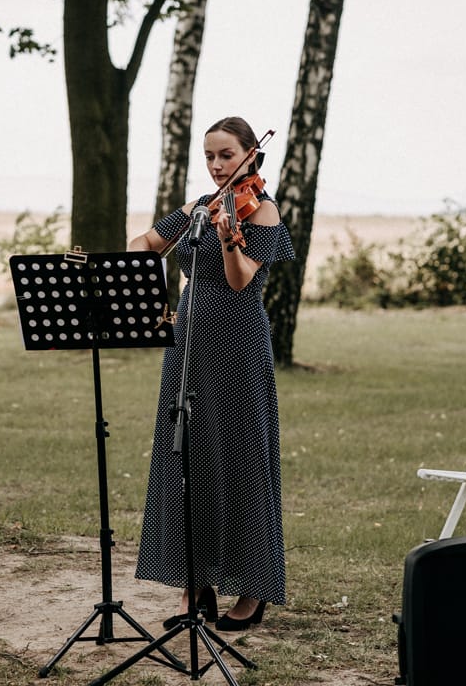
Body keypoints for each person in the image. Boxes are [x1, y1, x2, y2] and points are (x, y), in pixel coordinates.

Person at [130, 116, 295, 631]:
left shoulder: (260, 211)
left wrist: (229, 239)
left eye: (226, 154)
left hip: (239, 346)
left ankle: (252, 589)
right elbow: (142, 246)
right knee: (187, 461)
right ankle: (192, 588)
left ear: (251, 154)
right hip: (188, 346)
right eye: (210, 156)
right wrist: (161, 303)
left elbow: (241, 279)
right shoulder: (200, 207)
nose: (217, 165)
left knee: (243, 460)